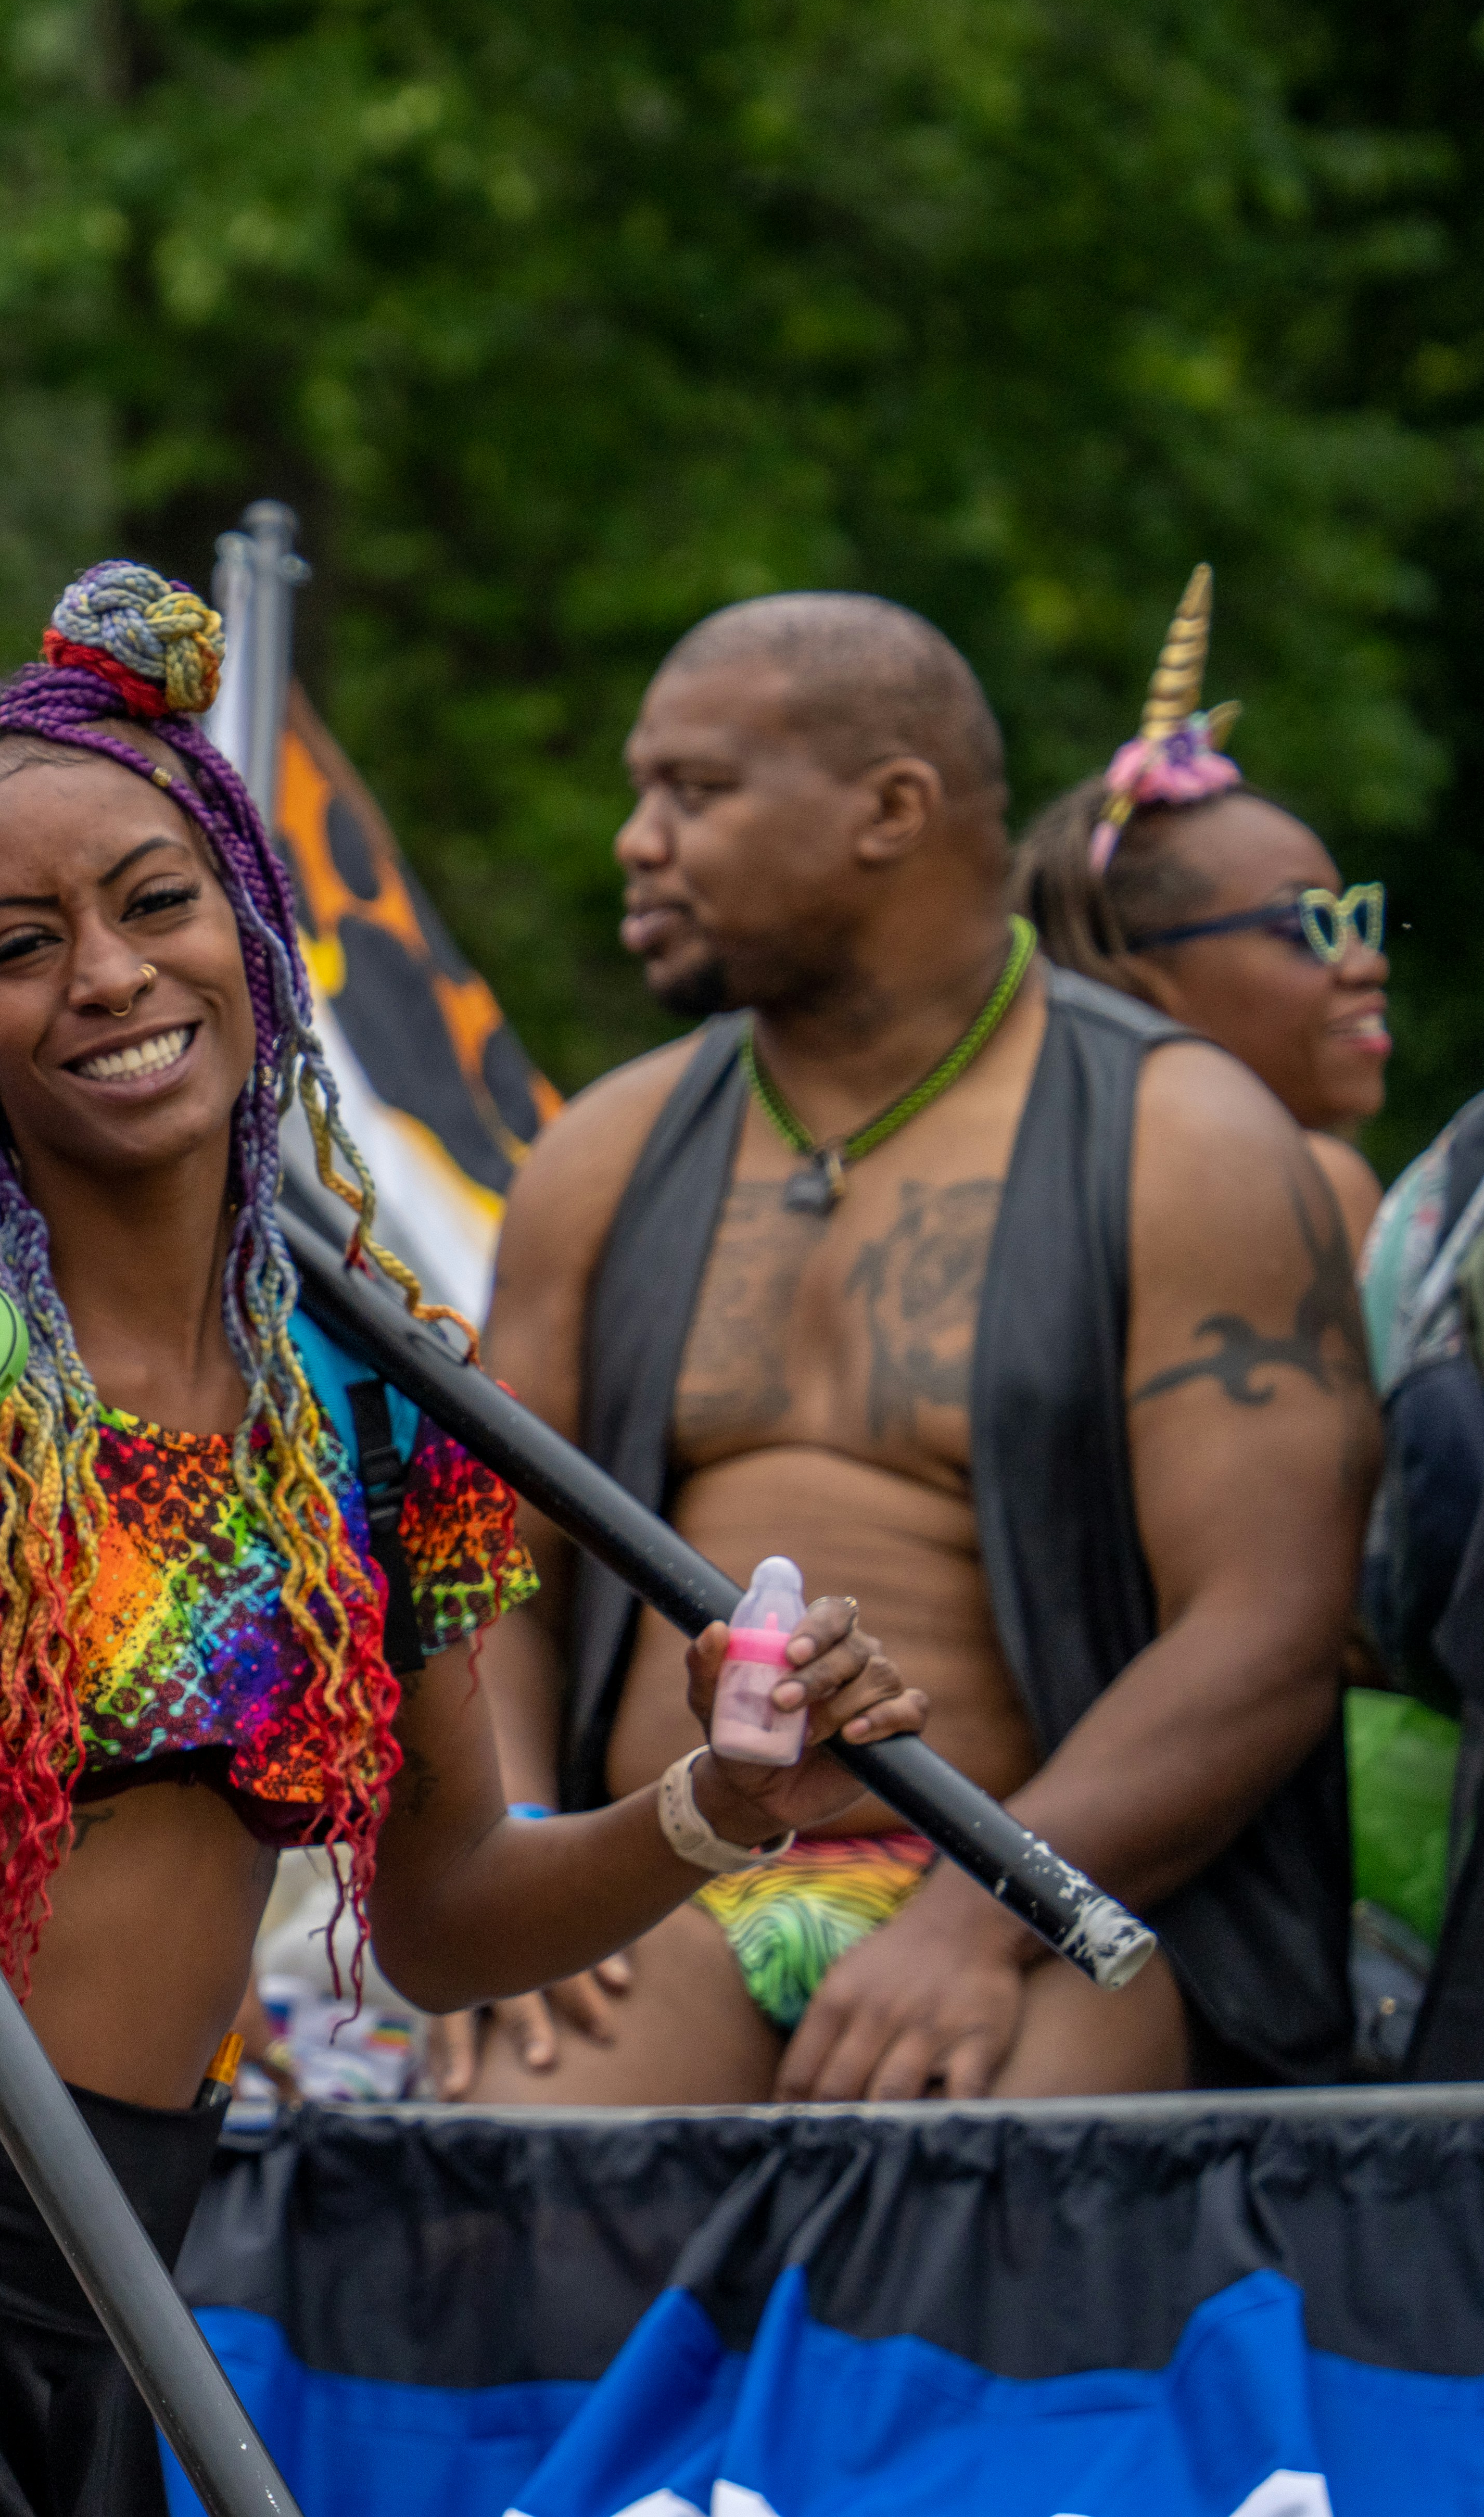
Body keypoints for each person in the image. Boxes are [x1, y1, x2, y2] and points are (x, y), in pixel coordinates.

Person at [0, 565, 918, 2517]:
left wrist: (725, 1807)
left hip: (137, 2282)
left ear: (251, 914)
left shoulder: (373, 1398)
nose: (115, 978)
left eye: (156, 903)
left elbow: (445, 1911)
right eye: (22, 944)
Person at [455, 590, 1367, 2107]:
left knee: (966, 2255)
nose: (635, 838)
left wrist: (978, 1917)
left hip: (1046, 1898)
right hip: (669, 1870)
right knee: (503, 2210)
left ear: (891, 809)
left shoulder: (1184, 1139)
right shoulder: (603, 1155)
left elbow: (1265, 1628)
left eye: (693, 790)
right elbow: (488, 1565)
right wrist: (531, 1864)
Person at [1011, 566, 1389, 1245]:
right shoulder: (1313, 1183)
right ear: (1137, 982)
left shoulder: (1014, 1193)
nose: (1367, 965)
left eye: (1354, 918)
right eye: (1305, 926)